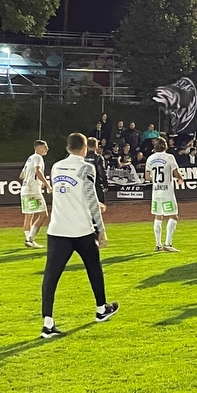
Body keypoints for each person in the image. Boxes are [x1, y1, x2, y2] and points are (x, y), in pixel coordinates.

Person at [40, 132, 119, 339]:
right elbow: (91, 198)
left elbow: (66, 194)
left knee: (51, 277)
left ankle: (47, 323)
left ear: (67, 148)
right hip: (81, 230)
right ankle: (101, 309)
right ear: (85, 149)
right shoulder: (87, 167)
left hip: (57, 229)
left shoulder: (56, 166)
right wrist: (101, 229)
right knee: (94, 268)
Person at [145, 137, 184, 252]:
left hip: (156, 192)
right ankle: (168, 244)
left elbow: (147, 177)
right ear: (165, 146)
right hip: (167, 192)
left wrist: (156, 182)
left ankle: (158, 244)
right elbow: (175, 172)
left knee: (158, 216)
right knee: (174, 216)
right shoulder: (169, 157)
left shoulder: (150, 158)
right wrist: (180, 178)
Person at [20, 140, 52, 248]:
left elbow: (21, 175)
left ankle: (28, 239)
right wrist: (47, 185)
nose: (47, 149)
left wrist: (35, 180)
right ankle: (30, 239)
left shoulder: (29, 158)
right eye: (45, 147)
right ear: (38, 148)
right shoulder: (38, 157)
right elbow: (38, 171)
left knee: (29, 215)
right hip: (32, 190)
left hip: (24, 189)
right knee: (44, 214)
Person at [85, 137, 109, 209]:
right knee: (99, 208)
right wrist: (105, 184)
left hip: (84, 186)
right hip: (96, 185)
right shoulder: (98, 157)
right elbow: (102, 172)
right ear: (96, 146)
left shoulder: (82, 157)